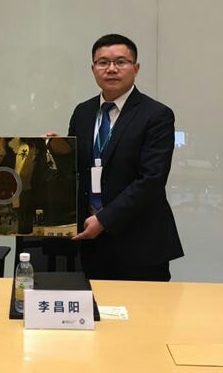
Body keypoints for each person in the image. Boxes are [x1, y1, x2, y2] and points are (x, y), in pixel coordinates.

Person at [69, 33, 183, 281]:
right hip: (91, 240)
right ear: (93, 69)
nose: (111, 69)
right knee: (95, 304)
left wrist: (104, 219)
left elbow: (151, 179)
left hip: (140, 241)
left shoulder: (156, 115)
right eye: (103, 62)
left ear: (136, 68)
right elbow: (75, 168)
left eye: (120, 62)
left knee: (144, 306)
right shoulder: (83, 112)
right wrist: (54, 149)